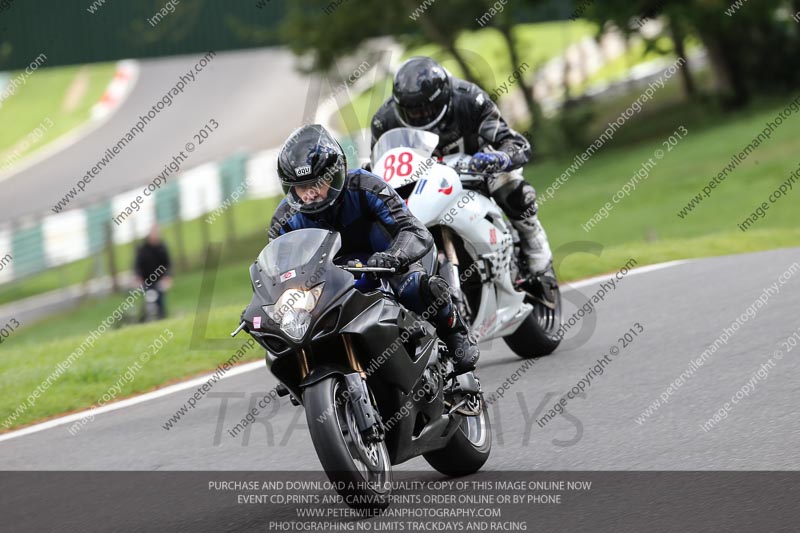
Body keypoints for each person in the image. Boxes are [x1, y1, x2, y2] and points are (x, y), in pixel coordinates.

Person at [268, 124, 479, 375]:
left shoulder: (366, 186)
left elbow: (414, 230)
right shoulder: (284, 220)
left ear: (335, 174)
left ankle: (455, 333)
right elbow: (275, 271)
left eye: (317, 183)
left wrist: (394, 256)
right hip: (327, 283)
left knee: (417, 287)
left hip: (385, 265)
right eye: (302, 187)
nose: (310, 193)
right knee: (286, 329)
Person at [370, 56, 553, 282]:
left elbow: (514, 142)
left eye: (427, 108)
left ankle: (533, 240)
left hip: (476, 170)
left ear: (445, 96)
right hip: (423, 184)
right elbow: (380, 166)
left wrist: (497, 157)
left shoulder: (470, 100)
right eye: (413, 112)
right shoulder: (384, 121)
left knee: (511, 185)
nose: (421, 115)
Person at [134, 225, 172, 321]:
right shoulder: (142, 249)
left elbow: (167, 265)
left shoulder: (162, 248)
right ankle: (146, 318)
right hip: (146, 281)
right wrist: (138, 278)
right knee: (149, 299)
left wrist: (167, 277)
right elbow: (137, 265)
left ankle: (162, 317)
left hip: (160, 281)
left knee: (160, 299)